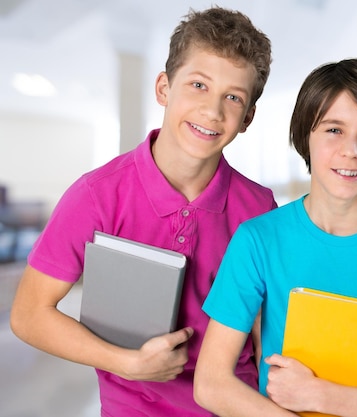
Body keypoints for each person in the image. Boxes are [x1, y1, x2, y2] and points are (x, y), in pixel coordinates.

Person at [10, 7, 275, 417]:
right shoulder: (96, 195)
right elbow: (29, 314)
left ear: (248, 117)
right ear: (164, 88)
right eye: (198, 85)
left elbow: (264, 331)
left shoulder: (259, 206)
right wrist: (127, 363)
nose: (212, 111)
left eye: (233, 97)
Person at [193, 58, 357, 417]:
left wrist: (321, 396)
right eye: (334, 130)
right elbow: (211, 383)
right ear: (306, 135)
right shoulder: (257, 241)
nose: (351, 150)